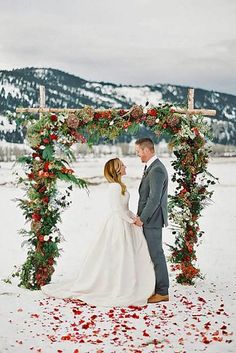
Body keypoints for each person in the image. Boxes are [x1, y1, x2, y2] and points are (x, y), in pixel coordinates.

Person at [41, 158, 155, 307]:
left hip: (125, 220)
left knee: (128, 254)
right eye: (122, 165)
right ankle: (116, 284)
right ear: (117, 170)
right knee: (118, 254)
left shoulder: (120, 185)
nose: (125, 166)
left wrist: (133, 216)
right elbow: (117, 209)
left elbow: (124, 208)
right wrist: (130, 221)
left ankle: (130, 281)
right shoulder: (114, 187)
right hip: (118, 224)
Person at [134, 138, 169, 303]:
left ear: (146, 150)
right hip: (150, 219)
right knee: (152, 254)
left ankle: (162, 291)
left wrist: (143, 218)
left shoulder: (156, 170)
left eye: (139, 151)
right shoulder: (152, 167)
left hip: (152, 220)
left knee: (156, 254)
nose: (138, 154)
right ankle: (155, 288)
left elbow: (154, 199)